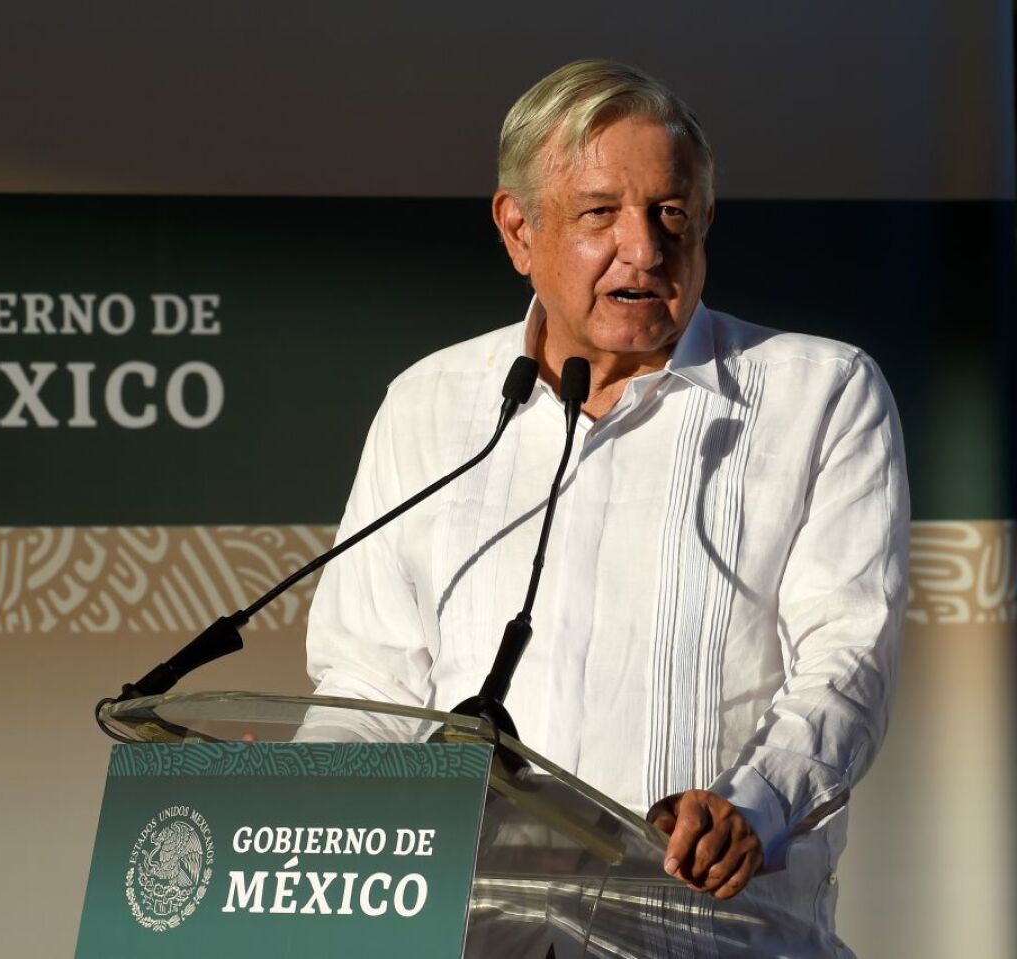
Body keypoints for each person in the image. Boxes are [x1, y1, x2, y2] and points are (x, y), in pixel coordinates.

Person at [306, 59, 908, 953]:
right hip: (481, 933)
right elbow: (372, 682)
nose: (644, 247)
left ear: (704, 222)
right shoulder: (430, 405)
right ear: (520, 229)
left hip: (708, 932)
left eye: (671, 213)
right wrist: (289, 790)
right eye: (599, 213)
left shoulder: (821, 394)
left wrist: (754, 803)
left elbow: (846, 662)